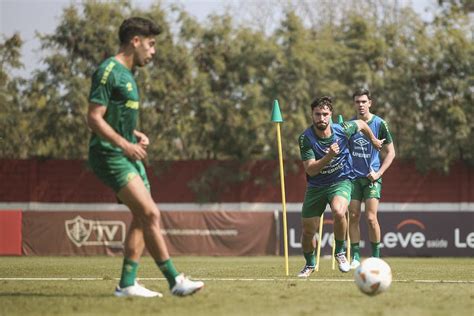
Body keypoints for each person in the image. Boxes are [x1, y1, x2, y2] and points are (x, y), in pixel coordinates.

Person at [87, 17, 204, 297]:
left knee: (142, 216)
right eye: (151, 45)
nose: (153, 52)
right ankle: (175, 280)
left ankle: (127, 283)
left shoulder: (129, 75)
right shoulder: (109, 70)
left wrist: (133, 134)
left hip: (127, 152)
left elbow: (115, 120)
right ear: (135, 41)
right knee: (151, 212)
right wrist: (124, 145)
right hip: (109, 154)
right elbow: (93, 118)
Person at [297, 96, 384, 278]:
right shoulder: (306, 138)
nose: (321, 118)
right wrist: (329, 156)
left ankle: (340, 252)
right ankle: (309, 264)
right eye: (317, 114)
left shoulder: (343, 129)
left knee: (339, 211)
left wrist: (374, 139)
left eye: (325, 114)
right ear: (312, 115)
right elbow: (311, 170)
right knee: (307, 232)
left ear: (331, 115)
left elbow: (361, 123)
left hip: (341, 180)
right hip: (316, 186)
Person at [348, 88, 395, 269]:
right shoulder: (350, 124)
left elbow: (391, 152)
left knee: (370, 218)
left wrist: (379, 173)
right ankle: (356, 257)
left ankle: (375, 257)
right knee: (353, 215)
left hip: (372, 178)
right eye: (357, 102)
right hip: (353, 178)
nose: (360, 105)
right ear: (354, 104)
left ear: (370, 103)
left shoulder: (380, 124)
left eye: (363, 101)